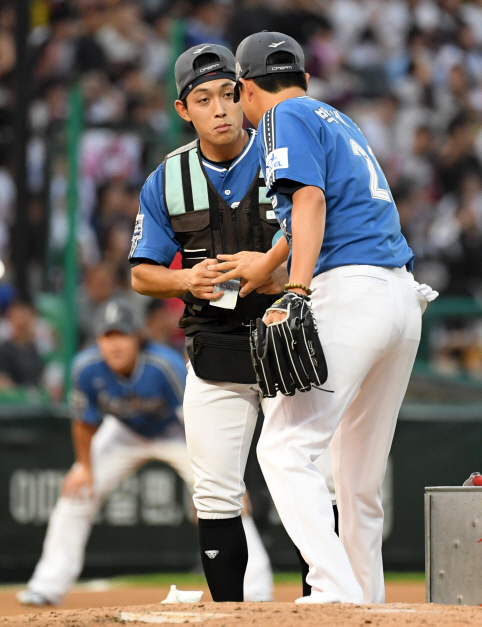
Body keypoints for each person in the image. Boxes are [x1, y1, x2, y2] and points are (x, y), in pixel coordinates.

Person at [216, 32, 437, 604]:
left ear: (243, 87)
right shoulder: (334, 117)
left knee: (283, 449)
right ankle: (366, 601)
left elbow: (308, 201)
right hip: (401, 299)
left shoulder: (280, 117)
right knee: (357, 480)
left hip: (352, 290)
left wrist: (292, 289)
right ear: (305, 77)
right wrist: (267, 266)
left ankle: (333, 590)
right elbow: (313, 215)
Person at [129, 43, 283, 602]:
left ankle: (332, 605)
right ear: (182, 110)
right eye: (203, 98)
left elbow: (328, 238)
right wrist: (185, 281)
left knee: (317, 479)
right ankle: (229, 613)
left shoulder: (282, 155)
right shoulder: (166, 179)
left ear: (244, 94)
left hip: (291, 337)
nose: (219, 108)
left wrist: (276, 269)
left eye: (228, 93)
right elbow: (143, 274)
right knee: (215, 493)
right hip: (214, 346)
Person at [16, 300, 192, 606]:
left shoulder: (165, 365)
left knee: (222, 495)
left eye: (121, 335)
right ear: (97, 340)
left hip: (177, 434)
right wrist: (84, 466)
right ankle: (47, 586)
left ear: (138, 336)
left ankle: (253, 588)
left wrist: (207, 477)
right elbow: (84, 423)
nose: (114, 344)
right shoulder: (86, 367)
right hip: (122, 433)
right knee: (76, 493)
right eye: (107, 336)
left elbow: (194, 422)